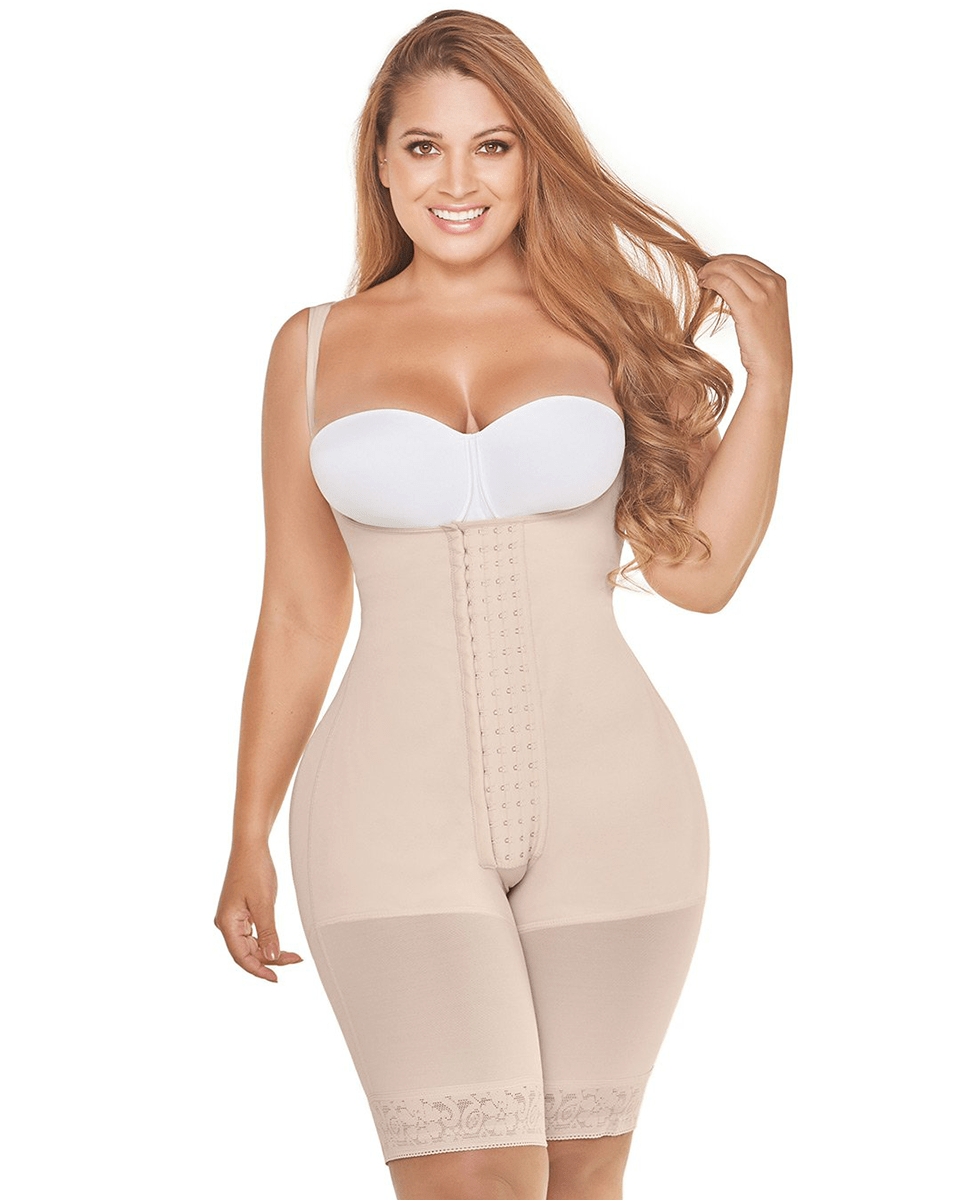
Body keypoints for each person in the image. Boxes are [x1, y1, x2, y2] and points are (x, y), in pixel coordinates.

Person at [214, 9, 792, 1199]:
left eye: (492, 146)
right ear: (380, 161)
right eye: (423, 147)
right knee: (472, 1176)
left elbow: (698, 576)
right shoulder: (311, 351)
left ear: (533, 159)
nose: (456, 182)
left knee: (578, 1181)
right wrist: (245, 836)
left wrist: (771, 381)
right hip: (383, 816)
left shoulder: (609, 332)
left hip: (618, 806)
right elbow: (300, 613)